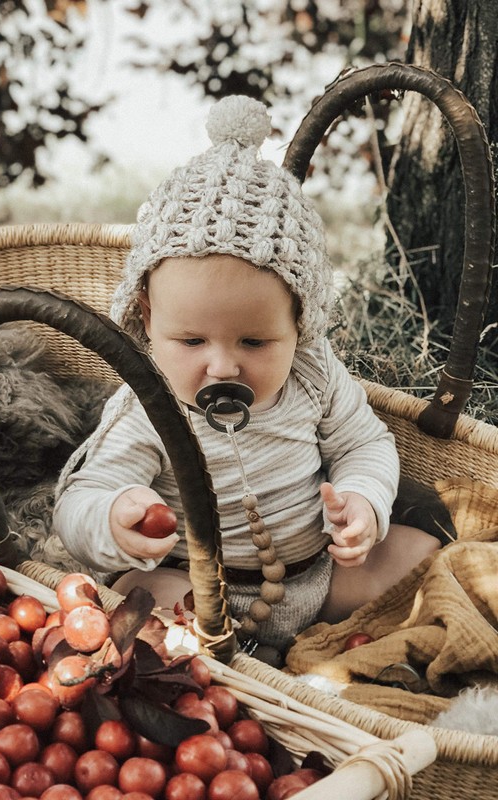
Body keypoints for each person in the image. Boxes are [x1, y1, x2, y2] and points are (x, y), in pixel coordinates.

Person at [51, 95, 441, 652]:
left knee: (423, 555)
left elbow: (365, 443)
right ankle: (212, 656)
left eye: (255, 341)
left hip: (320, 578)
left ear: (300, 322)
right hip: (197, 590)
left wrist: (364, 500)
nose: (223, 365)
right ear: (147, 317)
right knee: (140, 594)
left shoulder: (313, 374)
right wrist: (114, 518)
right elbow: (81, 497)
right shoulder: (148, 405)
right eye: (190, 341)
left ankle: (314, 644)